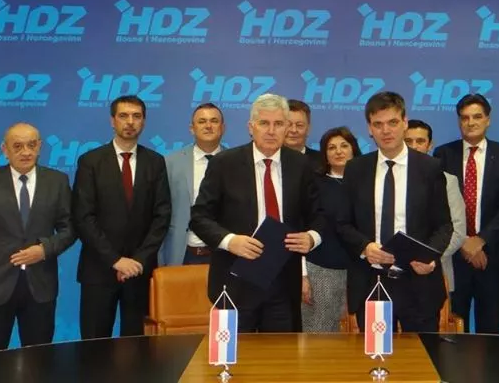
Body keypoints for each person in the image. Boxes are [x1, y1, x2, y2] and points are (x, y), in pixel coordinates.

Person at [189, 94, 325, 332]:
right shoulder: (224, 163)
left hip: (284, 283)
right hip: (235, 279)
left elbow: (319, 213)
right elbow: (200, 217)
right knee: (233, 351)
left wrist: (312, 237)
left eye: (278, 124)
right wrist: (230, 241)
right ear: (251, 127)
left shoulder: (301, 165)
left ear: (286, 127)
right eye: (264, 123)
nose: (271, 131)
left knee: (281, 352)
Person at [337, 91, 452, 332]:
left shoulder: (429, 167)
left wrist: (429, 257)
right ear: (369, 128)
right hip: (372, 280)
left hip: (419, 282)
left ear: (404, 123)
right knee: (376, 353)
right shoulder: (356, 169)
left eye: (392, 122)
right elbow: (342, 223)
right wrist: (364, 247)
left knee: (422, 354)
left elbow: (444, 225)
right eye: (378, 124)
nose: (386, 130)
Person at [0, 122, 75, 353]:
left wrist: (44, 249)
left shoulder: (57, 181)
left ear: (40, 146)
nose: (26, 152)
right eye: (18, 146)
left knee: (39, 360)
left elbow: (70, 228)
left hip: (40, 287)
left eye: (31, 145)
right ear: (5, 149)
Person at [72, 95, 171, 339]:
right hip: (99, 270)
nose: (130, 122)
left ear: (144, 122)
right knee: (94, 347)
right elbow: (83, 217)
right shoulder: (90, 161)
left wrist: (137, 261)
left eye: (136, 116)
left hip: (139, 271)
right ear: (112, 121)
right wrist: (115, 260)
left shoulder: (155, 162)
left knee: (138, 347)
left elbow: (161, 216)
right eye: (123, 116)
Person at [434, 93, 499, 333]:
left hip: (492, 255)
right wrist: (464, 242)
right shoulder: (443, 154)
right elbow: (439, 206)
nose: (470, 122)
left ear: (488, 120)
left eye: (477, 117)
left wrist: (481, 240)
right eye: (464, 118)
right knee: (453, 326)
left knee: (490, 328)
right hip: (455, 255)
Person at [301, 126, 362, 332]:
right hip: (321, 269)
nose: (338, 151)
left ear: (354, 149)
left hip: (361, 269)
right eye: (331, 147)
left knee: (361, 333)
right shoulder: (313, 183)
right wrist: (303, 275)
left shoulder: (368, 182)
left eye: (344, 146)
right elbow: (302, 227)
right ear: (324, 154)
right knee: (320, 332)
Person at [403, 119, 466, 293]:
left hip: (434, 270)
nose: (414, 146)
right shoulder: (386, 178)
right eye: (408, 141)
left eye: (420, 141)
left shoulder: (447, 180)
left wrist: (427, 258)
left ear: (430, 145)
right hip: (394, 271)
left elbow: (458, 231)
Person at [159, 103, 226, 266]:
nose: (208, 126)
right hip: (182, 254)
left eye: (214, 121)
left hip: (224, 254)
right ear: (192, 129)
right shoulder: (170, 163)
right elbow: (159, 213)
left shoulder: (237, 163)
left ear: (223, 128)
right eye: (202, 121)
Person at [287, 99, 321, 169]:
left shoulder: (323, 161)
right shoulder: (269, 160)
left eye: (299, 125)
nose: (293, 130)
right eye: (288, 124)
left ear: (308, 129)